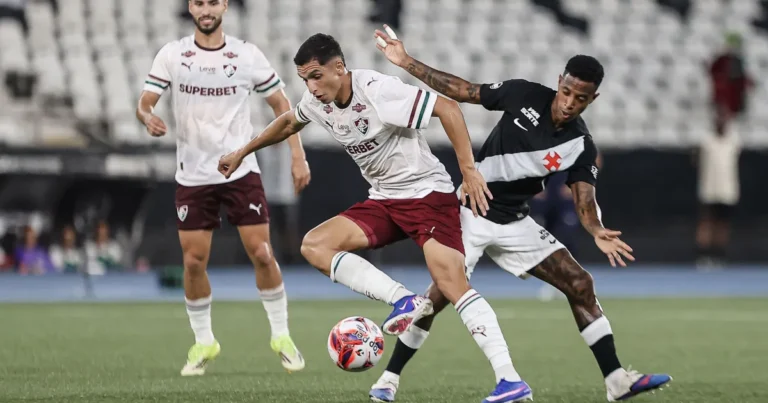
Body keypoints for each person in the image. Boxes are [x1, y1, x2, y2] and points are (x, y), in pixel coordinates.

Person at [369, 25, 672, 402]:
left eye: (580, 98)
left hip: (515, 222)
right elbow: (464, 91)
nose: (569, 102)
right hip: (471, 213)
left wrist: (595, 229)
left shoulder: (580, 144)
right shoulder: (524, 93)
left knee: (581, 284)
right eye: (566, 92)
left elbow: (584, 198)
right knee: (436, 299)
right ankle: (388, 380)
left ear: (593, 99)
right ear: (559, 82)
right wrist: (406, 62)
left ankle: (616, 381)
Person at [219, 33, 526, 403]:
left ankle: (510, 380)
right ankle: (403, 300)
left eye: (316, 76)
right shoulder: (318, 102)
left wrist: (469, 170)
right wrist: (242, 151)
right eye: (304, 80)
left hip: (427, 197)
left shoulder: (377, 91)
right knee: (315, 245)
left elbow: (448, 108)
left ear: (339, 67)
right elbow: (288, 122)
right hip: (385, 201)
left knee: (452, 286)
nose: (311, 87)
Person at [135, 0, 311, 376]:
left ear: (225, 6)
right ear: (190, 8)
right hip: (194, 176)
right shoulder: (173, 54)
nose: (206, 9)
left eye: (212, 2)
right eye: (199, 3)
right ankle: (203, 342)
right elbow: (146, 101)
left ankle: (281, 335)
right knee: (193, 262)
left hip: (240, 170)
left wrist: (298, 156)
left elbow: (283, 105)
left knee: (262, 253)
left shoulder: (247, 55)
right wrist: (148, 116)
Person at [694, 113, 741, 268]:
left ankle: (719, 255)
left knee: (722, 224)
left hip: (727, 190)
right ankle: (703, 255)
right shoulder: (707, 142)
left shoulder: (733, 142)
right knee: (707, 223)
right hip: (709, 190)